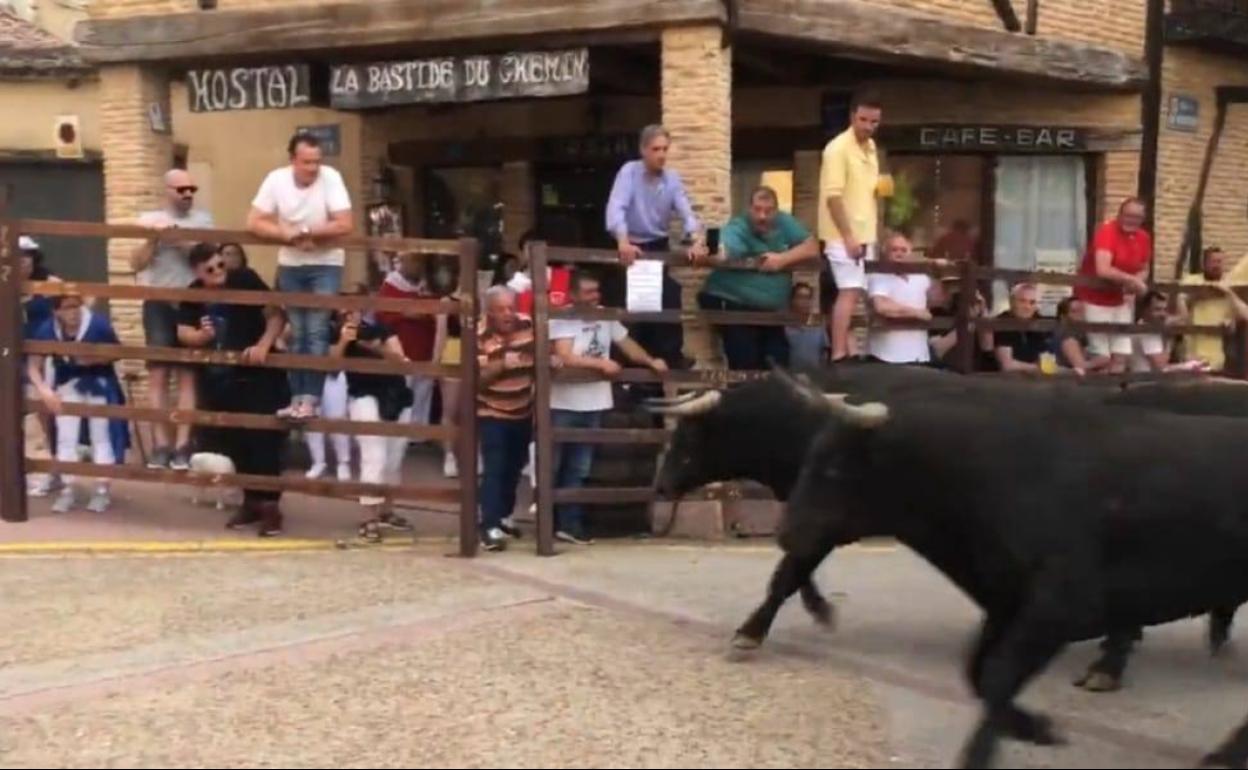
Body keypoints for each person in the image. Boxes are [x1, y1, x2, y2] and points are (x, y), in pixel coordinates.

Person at [177, 243, 288, 537]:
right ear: (198, 273)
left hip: (258, 377)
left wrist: (264, 345)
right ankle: (251, 502)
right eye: (209, 270)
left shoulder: (245, 279)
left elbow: (276, 314)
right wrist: (200, 336)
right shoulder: (193, 293)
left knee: (264, 442)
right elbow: (183, 333)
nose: (217, 273)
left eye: (220, 265)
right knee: (234, 443)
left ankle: (270, 508)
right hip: (219, 381)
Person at [550, 271, 668, 545]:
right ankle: (550, 522)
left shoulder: (605, 316)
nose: (595, 297)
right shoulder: (563, 317)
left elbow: (627, 344)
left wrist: (650, 361)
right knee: (554, 464)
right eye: (589, 292)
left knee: (579, 467)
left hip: (595, 401)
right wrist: (600, 364)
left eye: (597, 291)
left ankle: (569, 525)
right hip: (564, 401)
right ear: (574, 294)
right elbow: (565, 355)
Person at [247, 132, 354, 420]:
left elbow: (345, 223)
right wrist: (286, 235)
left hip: (326, 263)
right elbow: (254, 221)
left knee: (317, 331)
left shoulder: (330, 177)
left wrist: (307, 233)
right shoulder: (276, 179)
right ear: (292, 160)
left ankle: (311, 400)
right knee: (296, 332)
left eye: (316, 162)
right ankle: (296, 399)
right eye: (307, 162)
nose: (313, 168)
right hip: (292, 263)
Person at [604, 124, 708, 368]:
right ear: (643, 150)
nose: (661, 154)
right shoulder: (629, 172)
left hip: (658, 246)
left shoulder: (671, 178)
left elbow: (686, 211)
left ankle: (670, 361)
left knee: (669, 299)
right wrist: (622, 240)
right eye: (655, 149)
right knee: (632, 308)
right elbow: (616, 207)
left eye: (665, 149)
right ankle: (630, 374)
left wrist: (697, 240)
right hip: (631, 246)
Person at [131, 168, 212, 471]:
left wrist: (175, 238)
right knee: (158, 376)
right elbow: (135, 263)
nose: (188, 194)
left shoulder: (204, 220)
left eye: (192, 188)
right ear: (167, 190)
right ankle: (160, 446)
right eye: (182, 189)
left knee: (188, 375)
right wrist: (153, 240)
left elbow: (206, 256)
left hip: (191, 301)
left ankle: (183, 446)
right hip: (158, 301)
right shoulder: (147, 219)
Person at [698, 185, 820, 370]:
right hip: (733, 302)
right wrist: (708, 250)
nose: (762, 216)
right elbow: (724, 249)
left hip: (770, 311)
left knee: (779, 360)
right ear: (749, 209)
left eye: (768, 211)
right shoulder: (739, 226)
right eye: (757, 210)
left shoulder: (785, 222)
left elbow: (812, 247)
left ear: (776, 212)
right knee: (745, 361)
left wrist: (782, 259)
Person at [26, 294, 128, 513]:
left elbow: (117, 352)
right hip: (67, 384)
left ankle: (102, 489)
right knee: (65, 437)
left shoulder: (97, 324)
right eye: (66, 308)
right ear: (56, 312)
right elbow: (34, 365)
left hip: (98, 382)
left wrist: (92, 358)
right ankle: (67, 489)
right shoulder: (48, 329)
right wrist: (45, 391)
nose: (72, 312)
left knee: (101, 436)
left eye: (76, 306)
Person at [330, 303, 415, 543]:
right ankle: (369, 517)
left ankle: (387, 510)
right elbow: (332, 368)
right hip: (363, 396)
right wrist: (345, 341)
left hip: (396, 395)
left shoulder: (380, 330)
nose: (350, 316)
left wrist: (375, 347)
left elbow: (402, 362)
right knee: (373, 455)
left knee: (394, 458)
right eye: (344, 313)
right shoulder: (335, 336)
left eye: (353, 311)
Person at [820, 94, 883, 362]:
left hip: (865, 233)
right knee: (848, 291)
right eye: (863, 120)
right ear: (852, 118)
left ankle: (851, 348)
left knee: (856, 291)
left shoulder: (870, 148)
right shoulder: (837, 149)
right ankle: (838, 352)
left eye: (874, 121)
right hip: (842, 234)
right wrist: (847, 236)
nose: (868, 126)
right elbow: (833, 197)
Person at [476, 286, 538, 552]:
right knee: (495, 468)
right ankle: (488, 525)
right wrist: (501, 365)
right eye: (501, 309)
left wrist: (552, 359)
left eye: (511, 307)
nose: (508, 314)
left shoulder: (528, 326)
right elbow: (477, 381)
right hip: (492, 411)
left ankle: (503, 517)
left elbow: (540, 357)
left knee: (514, 468)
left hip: (523, 409)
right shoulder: (479, 335)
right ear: (489, 312)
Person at [1073, 197, 1152, 374]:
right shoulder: (1107, 231)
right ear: (1120, 214)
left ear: (1142, 219)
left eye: (1137, 217)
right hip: (1094, 298)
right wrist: (1133, 281)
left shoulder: (1144, 237)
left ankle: (1115, 393)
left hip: (1121, 299)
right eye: (1128, 215)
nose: (1131, 220)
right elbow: (1103, 269)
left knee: (1121, 353)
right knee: (1102, 355)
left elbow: (1145, 268)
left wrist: (1136, 281)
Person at [375, 252, 439, 442]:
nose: (417, 266)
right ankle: (401, 433)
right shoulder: (389, 286)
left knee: (423, 393)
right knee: (403, 391)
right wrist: (405, 313)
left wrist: (425, 313)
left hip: (425, 348)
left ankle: (419, 434)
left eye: (419, 261)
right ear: (401, 263)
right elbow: (381, 315)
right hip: (402, 349)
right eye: (413, 261)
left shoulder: (426, 287)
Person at [866, 233, 944, 365]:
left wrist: (939, 274)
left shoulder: (921, 277)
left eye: (903, 250)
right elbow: (882, 306)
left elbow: (938, 300)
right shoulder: (878, 275)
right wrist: (917, 313)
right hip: (886, 356)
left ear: (910, 253)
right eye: (894, 250)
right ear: (885, 254)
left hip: (919, 355)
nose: (899, 254)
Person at [1177, 247, 1233, 370]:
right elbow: (1180, 302)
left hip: (1217, 355)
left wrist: (1229, 322)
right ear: (1205, 263)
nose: (1217, 265)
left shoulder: (1228, 285)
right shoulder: (1192, 280)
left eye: (1220, 262)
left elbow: (1233, 316)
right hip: (1192, 352)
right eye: (1213, 261)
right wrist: (1197, 295)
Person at [929, 286, 996, 371]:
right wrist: (968, 322)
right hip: (944, 373)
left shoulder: (977, 313)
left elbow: (987, 347)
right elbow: (937, 350)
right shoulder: (937, 313)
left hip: (972, 373)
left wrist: (983, 310)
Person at [304, 368, 351, 481]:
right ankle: (318, 462)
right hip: (310, 372)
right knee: (311, 416)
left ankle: (343, 462)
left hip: (334, 373)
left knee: (337, 418)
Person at [994, 283, 1050, 373]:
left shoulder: (1038, 321)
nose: (1027, 307)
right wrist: (1039, 368)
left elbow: (1048, 363)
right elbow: (1007, 366)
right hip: (1003, 382)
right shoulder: (1003, 321)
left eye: (1032, 302)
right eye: (1022, 301)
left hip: (1034, 382)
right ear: (1011, 302)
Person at [1052, 296, 1110, 376]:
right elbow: (1080, 366)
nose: (1081, 315)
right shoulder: (1068, 336)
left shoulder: (1081, 333)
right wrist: (1099, 362)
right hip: (1068, 381)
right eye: (1075, 311)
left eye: (1082, 311)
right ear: (1064, 316)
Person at [786, 283, 829, 370]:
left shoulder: (818, 326)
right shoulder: (784, 326)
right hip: (790, 376)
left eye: (808, 298)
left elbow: (825, 352)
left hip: (815, 376)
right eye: (800, 297)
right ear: (792, 300)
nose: (804, 301)